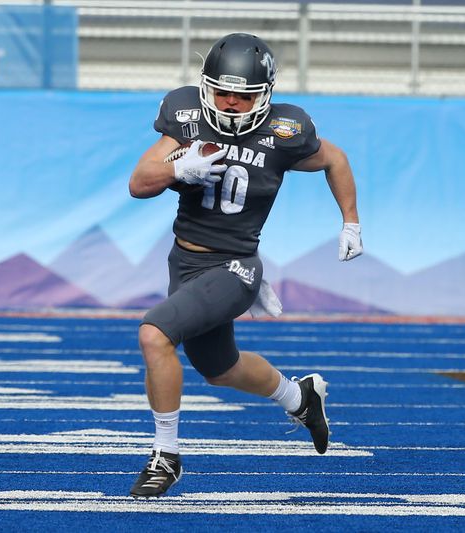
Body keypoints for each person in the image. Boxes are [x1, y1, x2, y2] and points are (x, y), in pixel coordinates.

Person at [127, 33, 363, 497]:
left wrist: (350, 222)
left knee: (154, 335)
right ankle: (301, 398)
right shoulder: (186, 118)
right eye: (223, 91)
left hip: (236, 266)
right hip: (186, 262)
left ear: (265, 94)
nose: (232, 102)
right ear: (206, 87)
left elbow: (335, 158)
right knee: (219, 368)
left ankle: (165, 457)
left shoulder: (286, 129)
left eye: (244, 94)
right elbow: (139, 182)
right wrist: (178, 169)